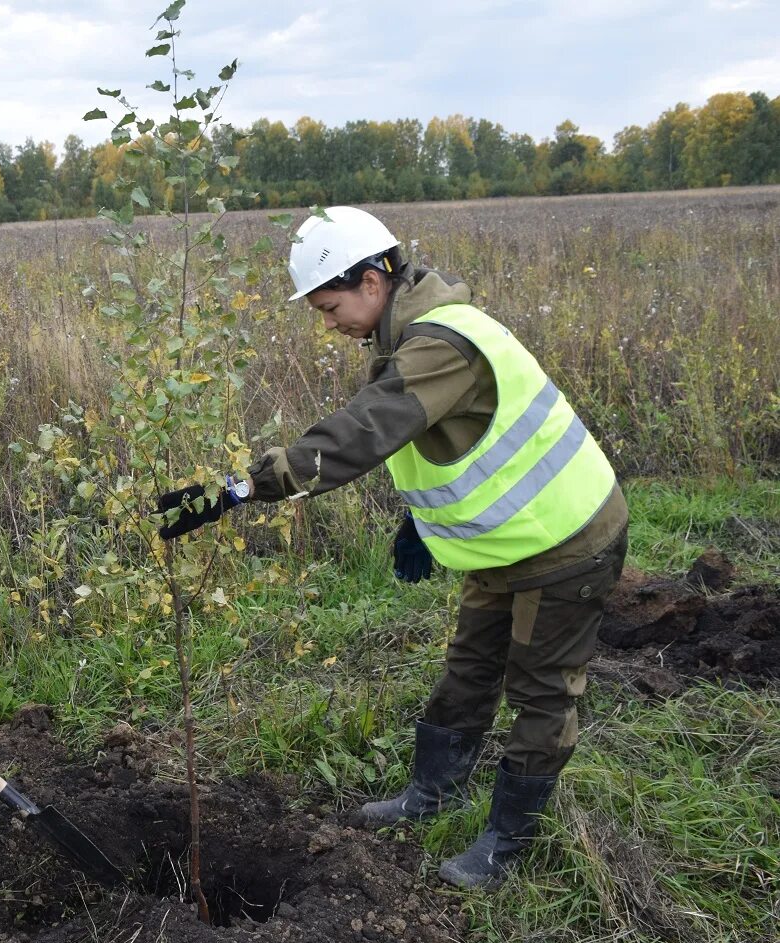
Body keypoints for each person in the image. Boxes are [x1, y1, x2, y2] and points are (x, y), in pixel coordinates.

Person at [157, 207, 627, 889]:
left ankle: (505, 844)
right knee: (469, 668)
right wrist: (421, 520)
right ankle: (431, 795)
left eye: (330, 305)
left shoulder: (441, 343)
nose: (328, 322)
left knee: (541, 692)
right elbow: (446, 441)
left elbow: (363, 432)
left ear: (374, 278)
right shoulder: (408, 336)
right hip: (503, 546)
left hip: (567, 541)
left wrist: (239, 490)